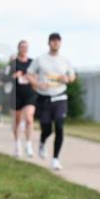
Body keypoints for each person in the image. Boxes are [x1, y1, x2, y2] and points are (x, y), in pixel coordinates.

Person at [27, 33, 76, 171]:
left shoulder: (65, 61)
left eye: (58, 41)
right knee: (46, 128)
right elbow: (29, 74)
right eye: (53, 41)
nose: (55, 43)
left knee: (59, 126)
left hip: (60, 96)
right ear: (49, 43)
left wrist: (67, 79)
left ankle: (55, 159)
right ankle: (42, 141)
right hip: (44, 98)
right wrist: (37, 83)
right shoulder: (40, 59)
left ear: (60, 43)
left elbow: (72, 76)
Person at [10, 40, 36, 158]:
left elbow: (37, 76)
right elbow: (5, 78)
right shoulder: (13, 64)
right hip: (16, 95)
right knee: (17, 120)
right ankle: (17, 144)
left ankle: (29, 145)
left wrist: (30, 77)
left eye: (26, 47)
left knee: (29, 119)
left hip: (29, 94)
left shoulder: (32, 63)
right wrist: (14, 76)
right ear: (18, 48)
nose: (24, 49)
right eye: (22, 47)